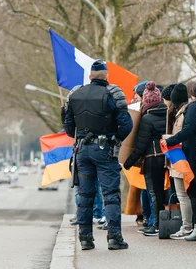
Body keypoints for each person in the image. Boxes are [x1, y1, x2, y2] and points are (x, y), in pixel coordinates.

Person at [64, 60, 133, 251]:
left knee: (85, 195)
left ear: (90, 76)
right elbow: (126, 124)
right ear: (107, 76)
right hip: (104, 149)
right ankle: (114, 238)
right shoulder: (113, 92)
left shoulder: (75, 93)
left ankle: (85, 239)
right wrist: (115, 139)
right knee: (110, 194)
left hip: (81, 150)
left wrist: (79, 137)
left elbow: (68, 125)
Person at [162, 81, 196, 241]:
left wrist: (170, 141)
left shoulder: (192, 108)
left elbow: (188, 130)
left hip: (191, 155)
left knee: (193, 191)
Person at [124, 82, 167, 236]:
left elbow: (141, 146)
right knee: (161, 193)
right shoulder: (168, 113)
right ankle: (161, 223)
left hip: (152, 158)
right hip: (167, 158)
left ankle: (156, 225)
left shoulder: (147, 119)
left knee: (154, 193)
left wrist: (128, 162)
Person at [164, 83, 194, 240]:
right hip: (178, 158)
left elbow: (182, 135)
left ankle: (187, 226)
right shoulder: (183, 112)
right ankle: (188, 225)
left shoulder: (182, 115)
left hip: (180, 158)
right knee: (184, 195)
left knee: (183, 195)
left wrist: (169, 141)